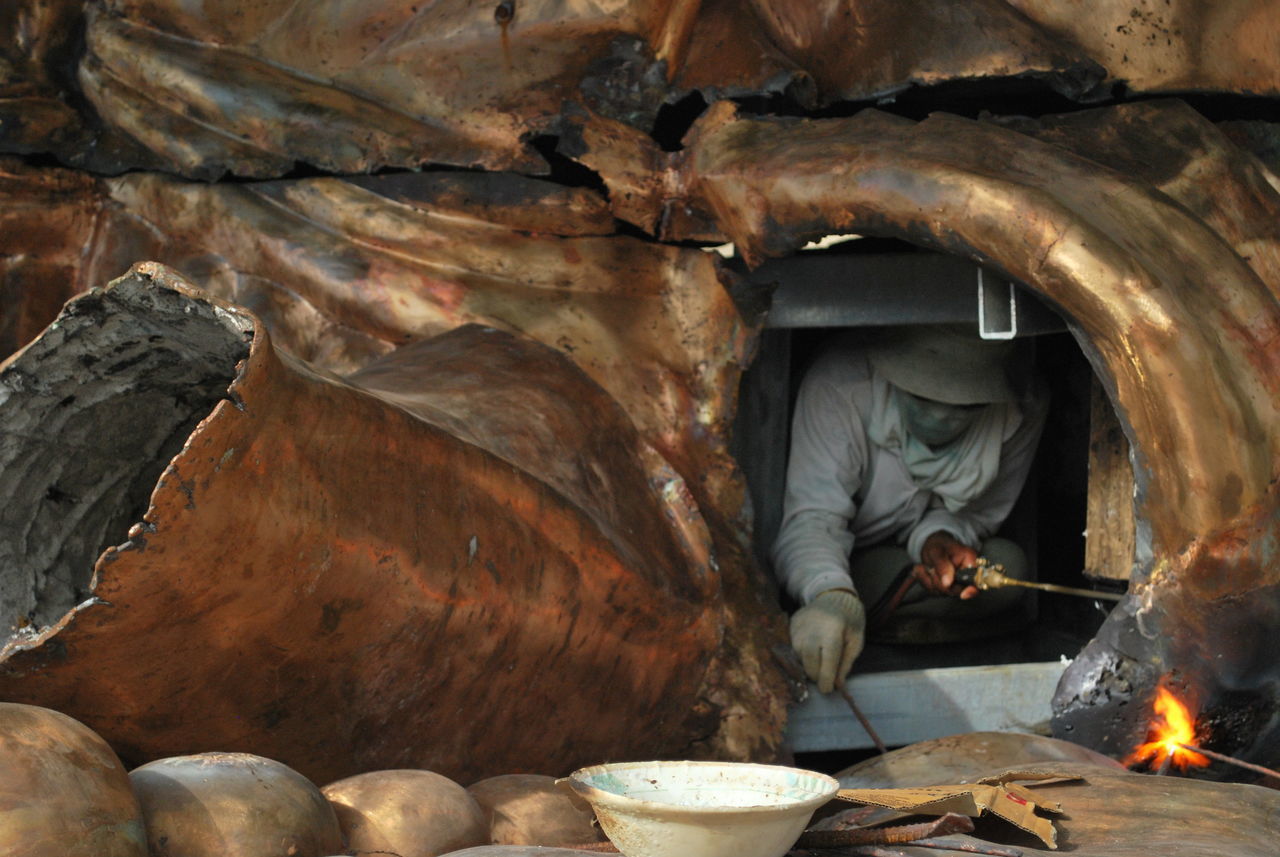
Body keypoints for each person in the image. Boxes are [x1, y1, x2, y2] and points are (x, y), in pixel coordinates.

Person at [771, 324, 1048, 693]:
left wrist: (938, 539)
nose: (940, 416)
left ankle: (882, 617)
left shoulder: (1022, 405)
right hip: (846, 554)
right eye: (922, 398)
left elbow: (978, 515)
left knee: (1008, 568)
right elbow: (812, 518)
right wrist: (831, 594)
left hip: (905, 562)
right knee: (827, 602)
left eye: (965, 407)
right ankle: (849, 615)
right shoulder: (840, 384)